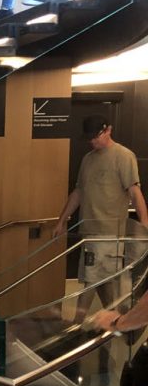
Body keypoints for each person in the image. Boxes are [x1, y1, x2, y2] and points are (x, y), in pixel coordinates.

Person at [54, 115, 148, 319]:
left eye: (96, 137)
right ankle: (118, 321)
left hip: (109, 233)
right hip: (88, 231)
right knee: (102, 280)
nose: (92, 142)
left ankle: (77, 327)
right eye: (89, 139)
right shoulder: (87, 159)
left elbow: (134, 191)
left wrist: (145, 224)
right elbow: (78, 193)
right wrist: (62, 220)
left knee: (91, 279)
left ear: (108, 130)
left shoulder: (123, 156)